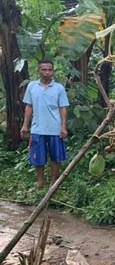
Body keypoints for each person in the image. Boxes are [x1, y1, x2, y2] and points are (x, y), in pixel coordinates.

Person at [20, 60, 70, 189]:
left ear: (53, 71)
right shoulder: (32, 86)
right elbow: (29, 106)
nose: (47, 72)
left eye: (50, 70)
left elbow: (63, 108)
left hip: (55, 129)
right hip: (37, 128)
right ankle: (40, 182)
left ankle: (53, 183)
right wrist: (25, 125)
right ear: (39, 71)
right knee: (38, 158)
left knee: (56, 157)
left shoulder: (59, 88)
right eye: (44, 69)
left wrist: (63, 127)